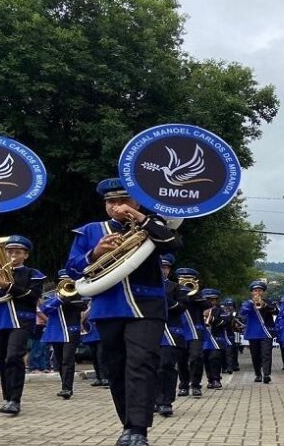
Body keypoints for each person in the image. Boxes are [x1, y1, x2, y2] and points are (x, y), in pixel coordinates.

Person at [65, 177, 181, 446]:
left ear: (137, 201)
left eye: (123, 201)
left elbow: (173, 244)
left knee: (141, 364)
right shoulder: (92, 230)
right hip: (108, 307)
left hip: (146, 306)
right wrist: (95, 253)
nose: (117, 207)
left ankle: (139, 429)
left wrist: (140, 218)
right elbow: (71, 269)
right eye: (111, 202)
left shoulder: (154, 225)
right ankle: (128, 425)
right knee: (115, 369)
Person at [0, 235, 46, 415]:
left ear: (25, 255)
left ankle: (15, 399)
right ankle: (8, 398)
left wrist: (7, 285)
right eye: (8, 251)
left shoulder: (33, 273)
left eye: (17, 252)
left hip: (21, 319)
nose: (12, 255)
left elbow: (33, 296)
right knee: (2, 361)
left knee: (13, 357)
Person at [40, 270, 86, 400]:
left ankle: (67, 388)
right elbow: (44, 309)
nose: (66, 283)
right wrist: (60, 299)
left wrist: (71, 300)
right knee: (59, 361)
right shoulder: (52, 297)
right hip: (56, 333)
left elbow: (82, 306)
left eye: (68, 281)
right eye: (62, 281)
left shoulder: (77, 295)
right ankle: (64, 386)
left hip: (71, 331)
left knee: (68, 360)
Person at [155, 254, 188, 416]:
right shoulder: (145, 285)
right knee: (149, 367)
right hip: (147, 331)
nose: (162, 270)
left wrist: (159, 294)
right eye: (160, 266)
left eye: (165, 267)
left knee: (165, 365)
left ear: (169, 270)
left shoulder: (176, 287)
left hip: (169, 334)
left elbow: (181, 307)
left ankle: (165, 401)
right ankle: (153, 400)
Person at [176, 268, 206, 398]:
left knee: (196, 357)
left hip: (195, 330)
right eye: (183, 279)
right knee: (181, 360)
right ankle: (183, 385)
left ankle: (195, 385)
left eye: (189, 280)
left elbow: (207, 304)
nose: (186, 283)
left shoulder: (198, 294)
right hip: (180, 330)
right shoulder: (174, 291)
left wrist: (194, 294)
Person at [240, 281, 277, 384]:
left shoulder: (269, 302)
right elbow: (242, 313)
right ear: (252, 292)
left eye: (260, 291)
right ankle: (258, 374)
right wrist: (250, 304)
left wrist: (264, 305)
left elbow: (276, 311)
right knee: (255, 355)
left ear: (263, 292)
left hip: (266, 332)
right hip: (253, 333)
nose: (257, 293)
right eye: (255, 291)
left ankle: (266, 375)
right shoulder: (247, 303)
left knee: (266, 354)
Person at [201, 288, 225, 390]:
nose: (210, 302)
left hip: (216, 339)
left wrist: (211, 318)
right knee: (206, 359)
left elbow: (225, 322)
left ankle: (216, 379)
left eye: (213, 299)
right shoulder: (198, 310)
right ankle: (210, 380)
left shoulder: (220, 310)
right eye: (208, 299)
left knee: (214, 358)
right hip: (203, 338)